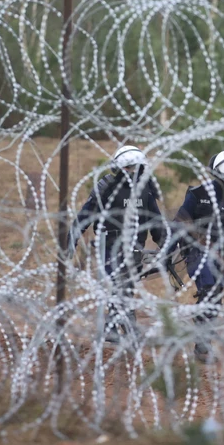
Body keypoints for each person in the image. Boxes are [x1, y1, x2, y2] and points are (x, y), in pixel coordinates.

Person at [68, 145, 167, 343]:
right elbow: (85, 215)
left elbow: (155, 220)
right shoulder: (105, 186)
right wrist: (71, 239)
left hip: (136, 245)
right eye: (130, 168)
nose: (134, 173)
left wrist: (165, 243)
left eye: (138, 169)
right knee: (118, 283)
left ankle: (111, 329)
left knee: (128, 285)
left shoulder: (145, 189)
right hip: (110, 243)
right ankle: (129, 326)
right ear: (120, 168)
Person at [168, 149, 224, 363]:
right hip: (197, 252)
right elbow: (179, 222)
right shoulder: (198, 194)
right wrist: (167, 253)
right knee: (208, 289)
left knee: (215, 298)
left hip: (221, 255)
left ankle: (202, 341)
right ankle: (202, 347)